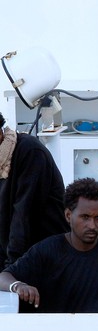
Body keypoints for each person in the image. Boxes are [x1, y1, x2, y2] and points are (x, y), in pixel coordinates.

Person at [0, 178, 98, 313]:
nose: (92, 225)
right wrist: (17, 286)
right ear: (68, 215)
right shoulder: (48, 250)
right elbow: (3, 277)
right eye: (85, 217)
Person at [0, 112, 67, 267]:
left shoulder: (29, 151)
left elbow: (24, 215)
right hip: (15, 257)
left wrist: (11, 270)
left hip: (45, 259)